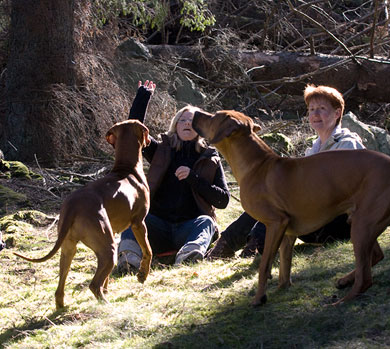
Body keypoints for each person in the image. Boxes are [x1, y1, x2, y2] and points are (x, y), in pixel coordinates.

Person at [206, 84, 365, 259]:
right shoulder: (313, 148)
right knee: (264, 198)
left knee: (274, 202)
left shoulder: (347, 144)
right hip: (313, 218)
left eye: (321, 109)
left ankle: (254, 247)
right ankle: (228, 245)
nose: (315, 114)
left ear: (337, 113)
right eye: (311, 109)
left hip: (339, 221)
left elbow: (343, 192)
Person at [117, 80, 231, 272]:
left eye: (193, 121)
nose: (187, 124)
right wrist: (143, 97)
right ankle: (130, 261)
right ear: (175, 125)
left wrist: (193, 178)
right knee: (134, 219)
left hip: (189, 228)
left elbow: (223, 200)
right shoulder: (161, 149)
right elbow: (134, 130)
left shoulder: (210, 156)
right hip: (157, 227)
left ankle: (189, 256)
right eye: (183, 120)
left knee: (207, 222)